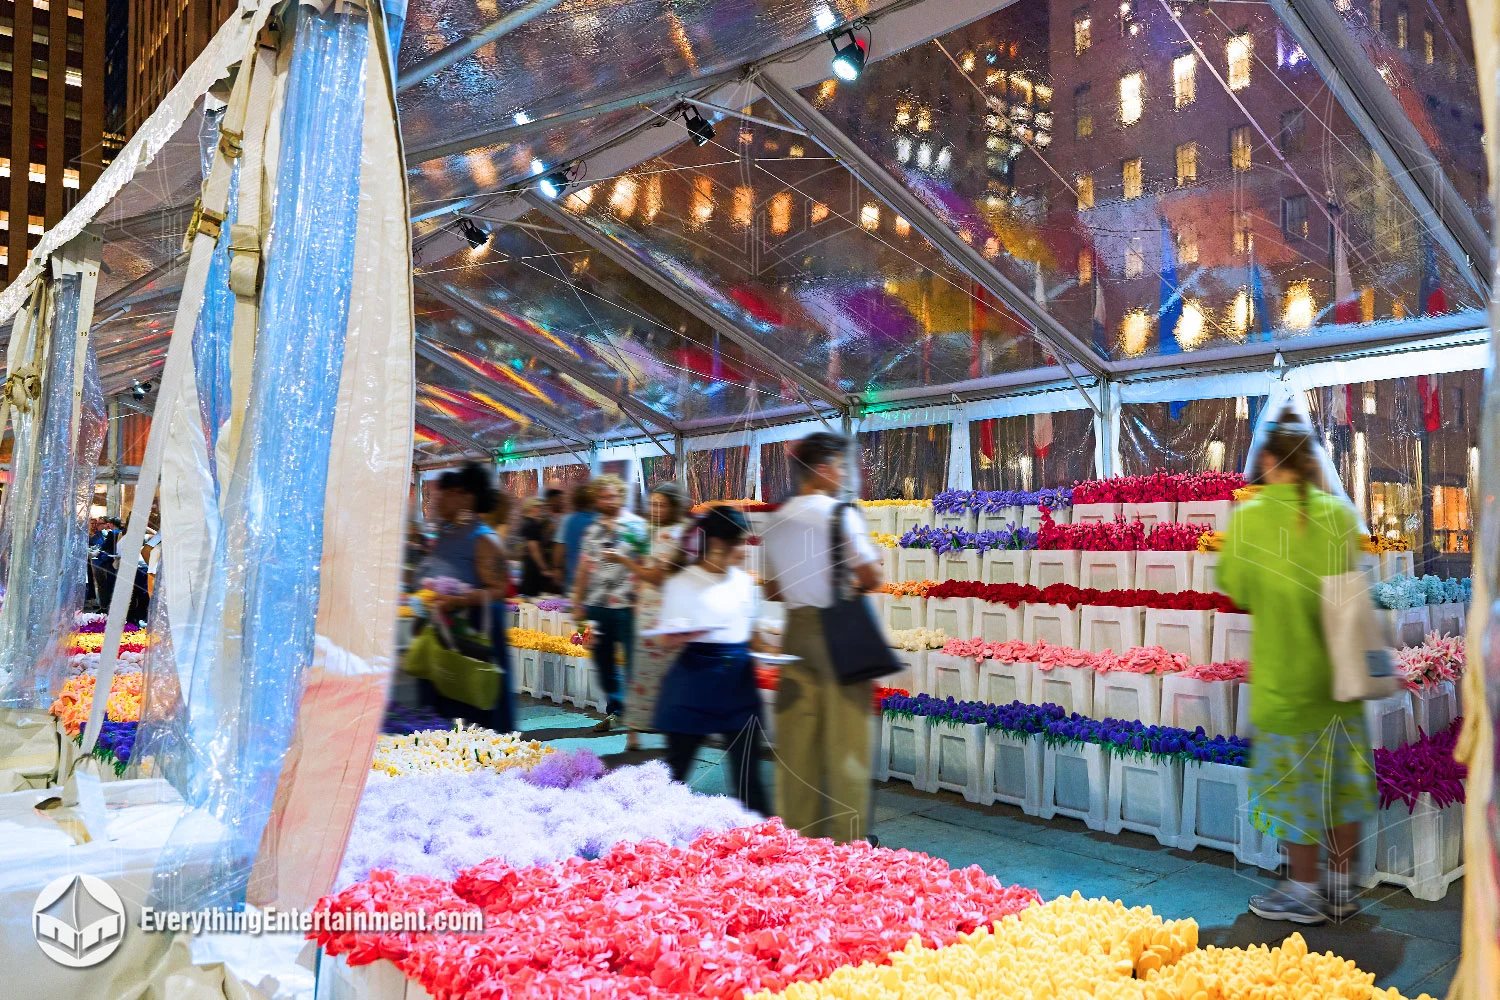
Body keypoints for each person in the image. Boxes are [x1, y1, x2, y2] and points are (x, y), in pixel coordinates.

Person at [1216, 408, 1374, 925]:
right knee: (1338, 783)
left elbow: (1235, 586)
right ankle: (1339, 888)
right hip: (1340, 680)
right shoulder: (1337, 514)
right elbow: (1351, 584)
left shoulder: (1253, 518)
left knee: (1295, 786)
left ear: (1266, 458)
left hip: (1287, 680)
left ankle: (1303, 891)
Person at [760, 432, 883, 843]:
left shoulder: (776, 520)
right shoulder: (838, 515)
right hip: (838, 631)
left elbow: (772, 589)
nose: (844, 474)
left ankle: (801, 840)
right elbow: (871, 576)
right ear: (822, 468)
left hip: (796, 633)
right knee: (847, 743)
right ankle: (848, 843)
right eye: (840, 465)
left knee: (797, 746)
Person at [651, 505, 771, 813]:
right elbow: (666, 637)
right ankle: (650, 835)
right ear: (718, 544)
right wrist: (678, 635)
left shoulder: (744, 583)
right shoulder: (683, 583)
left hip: (739, 683)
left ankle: (762, 840)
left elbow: (752, 632)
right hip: (694, 681)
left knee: (749, 777)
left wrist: (770, 652)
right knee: (676, 772)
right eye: (740, 544)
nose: (745, 552)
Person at [422, 462, 515, 733]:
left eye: (444, 493)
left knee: (479, 701)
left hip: (475, 631)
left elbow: (498, 588)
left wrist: (459, 600)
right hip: (450, 629)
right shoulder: (449, 533)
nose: (438, 499)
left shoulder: (483, 538)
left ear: (465, 495)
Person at [570, 474, 647, 734]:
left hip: (628, 605)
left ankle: (633, 716)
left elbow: (647, 564)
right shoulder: (591, 530)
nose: (608, 499)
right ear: (597, 499)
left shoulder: (636, 526)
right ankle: (620, 709)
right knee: (603, 664)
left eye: (612, 495)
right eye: (603, 495)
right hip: (597, 605)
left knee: (635, 662)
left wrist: (643, 598)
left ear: (621, 496)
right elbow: (583, 567)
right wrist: (577, 600)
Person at [620, 482, 690, 738]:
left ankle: (670, 725)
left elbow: (658, 576)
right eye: (652, 504)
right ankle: (634, 731)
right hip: (648, 610)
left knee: (670, 673)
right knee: (642, 672)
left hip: (671, 611)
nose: (655, 509)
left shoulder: (681, 534)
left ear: (674, 506)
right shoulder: (647, 531)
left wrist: (625, 561)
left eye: (661, 504)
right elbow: (644, 567)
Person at [553, 482, 597, 592]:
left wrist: (557, 568)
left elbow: (560, 548)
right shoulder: (601, 520)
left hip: (573, 577)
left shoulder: (567, 520)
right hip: (597, 580)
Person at [518, 491, 563, 596]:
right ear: (532, 508)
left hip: (527, 562)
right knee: (532, 593)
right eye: (538, 507)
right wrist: (544, 568)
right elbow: (535, 550)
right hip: (533, 566)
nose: (540, 510)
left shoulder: (525, 522)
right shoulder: (533, 525)